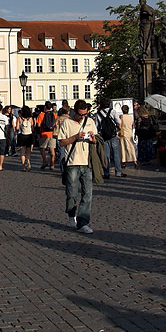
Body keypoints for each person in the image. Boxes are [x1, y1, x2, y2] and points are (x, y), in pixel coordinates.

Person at [56, 100, 99, 234]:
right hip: (72, 163)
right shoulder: (66, 123)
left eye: (85, 114)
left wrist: (92, 139)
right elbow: (62, 143)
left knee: (87, 194)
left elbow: (96, 140)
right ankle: (71, 214)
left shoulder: (90, 121)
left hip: (87, 163)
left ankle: (83, 223)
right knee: (72, 194)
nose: (83, 117)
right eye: (81, 115)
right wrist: (75, 137)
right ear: (75, 112)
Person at [95, 98, 124, 179]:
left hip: (104, 135)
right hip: (113, 135)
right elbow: (118, 122)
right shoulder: (113, 111)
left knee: (106, 155)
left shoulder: (98, 113)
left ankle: (106, 172)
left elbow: (97, 126)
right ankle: (118, 171)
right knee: (116, 154)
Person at [37, 102, 57, 170]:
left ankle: (45, 161)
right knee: (52, 150)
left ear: (45, 107)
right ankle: (52, 164)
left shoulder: (41, 115)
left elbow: (38, 125)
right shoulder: (54, 114)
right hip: (52, 134)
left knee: (42, 148)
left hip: (44, 133)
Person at [118, 105, 138, 169]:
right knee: (131, 148)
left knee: (123, 148)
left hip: (123, 134)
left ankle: (123, 162)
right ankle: (135, 161)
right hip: (130, 133)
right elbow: (132, 126)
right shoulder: (131, 117)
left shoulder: (121, 117)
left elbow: (120, 125)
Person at [16, 106, 35, 171]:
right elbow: (32, 128)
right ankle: (29, 163)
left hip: (22, 136)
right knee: (28, 151)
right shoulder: (30, 118)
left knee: (22, 152)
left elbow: (17, 128)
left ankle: (23, 166)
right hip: (29, 136)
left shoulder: (19, 118)